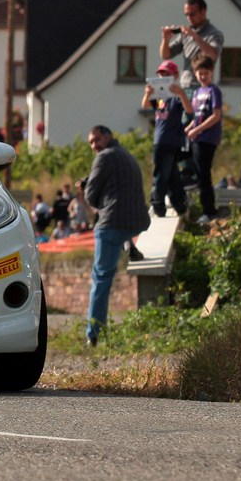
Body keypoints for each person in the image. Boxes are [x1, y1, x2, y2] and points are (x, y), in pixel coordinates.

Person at [78, 125, 150, 347]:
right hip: (134, 221)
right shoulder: (127, 154)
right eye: (91, 142)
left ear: (109, 136)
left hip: (112, 224)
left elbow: (90, 196)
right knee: (118, 238)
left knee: (101, 278)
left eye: (97, 139)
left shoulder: (103, 158)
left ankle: (93, 333)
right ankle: (130, 247)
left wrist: (86, 186)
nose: (94, 145)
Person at [141, 60, 189, 218]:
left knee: (161, 173)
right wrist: (148, 93)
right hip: (160, 139)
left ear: (175, 76)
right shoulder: (160, 96)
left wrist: (180, 93)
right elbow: (146, 106)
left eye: (166, 74)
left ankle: (158, 203)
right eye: (161, 74)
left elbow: (189, 110)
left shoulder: (176, 96)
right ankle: (179, 203)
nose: (163, 77)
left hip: (170, 139)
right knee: (170, 173)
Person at [184, 55, 224, 224]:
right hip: (197, 136)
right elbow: (198, 115)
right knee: (197, 172)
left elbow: (216, 115)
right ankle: (204, 206)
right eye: (200, 73)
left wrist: (197, 130)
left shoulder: (213, 90)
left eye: (206, 73)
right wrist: (189, 127)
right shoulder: (197, 92)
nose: (203, 77)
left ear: (211, 72)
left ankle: (209, 210)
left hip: (207, 137)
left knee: (203, 174)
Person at [160, 0, 225, 94]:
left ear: (203, 12)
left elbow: (213, 55)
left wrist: (194, 36)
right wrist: (165, 39)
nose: (189, 18)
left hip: (202, 86)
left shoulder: (214, 34)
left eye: (192, 14)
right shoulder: (186, 34)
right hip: (185, 85)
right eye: (186, 15)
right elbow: (165, 55)